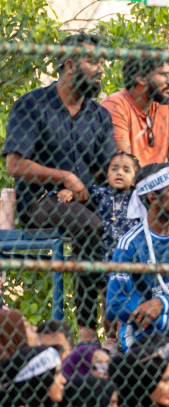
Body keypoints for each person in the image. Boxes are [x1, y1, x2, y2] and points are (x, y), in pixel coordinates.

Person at [4, 32, 115, 332]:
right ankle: (89, 328)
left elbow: (106, 171)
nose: (101, 69)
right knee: (91, 225)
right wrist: (64, 177)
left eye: (101, 62)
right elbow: (15, 165)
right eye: (93, 62)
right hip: (39, 203)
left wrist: (83, 187)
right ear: (68, 65)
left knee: (123, 218)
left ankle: (116, 315)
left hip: (86, 198)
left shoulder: (100, 116)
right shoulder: (31, 105)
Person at [106, 165, 169, 349]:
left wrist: (162, 304)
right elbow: (115, 305)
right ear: (153, 197)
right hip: (145, 333)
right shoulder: (130, 244)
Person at [101, 50, 169, 189]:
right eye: (163, 74)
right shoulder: (115, 105)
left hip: (157, 193)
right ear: (141, 78)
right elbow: (126, 166)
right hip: (126, 193)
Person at [90, 149, 139, 265]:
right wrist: (71, 193)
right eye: (114, 169)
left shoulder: (136, 197)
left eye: (126, 170)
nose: (119, 173)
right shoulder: (100, 192)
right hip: (104, 253)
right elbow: (82, 193)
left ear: (133, 181)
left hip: (130, 253)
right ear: (107, 176)